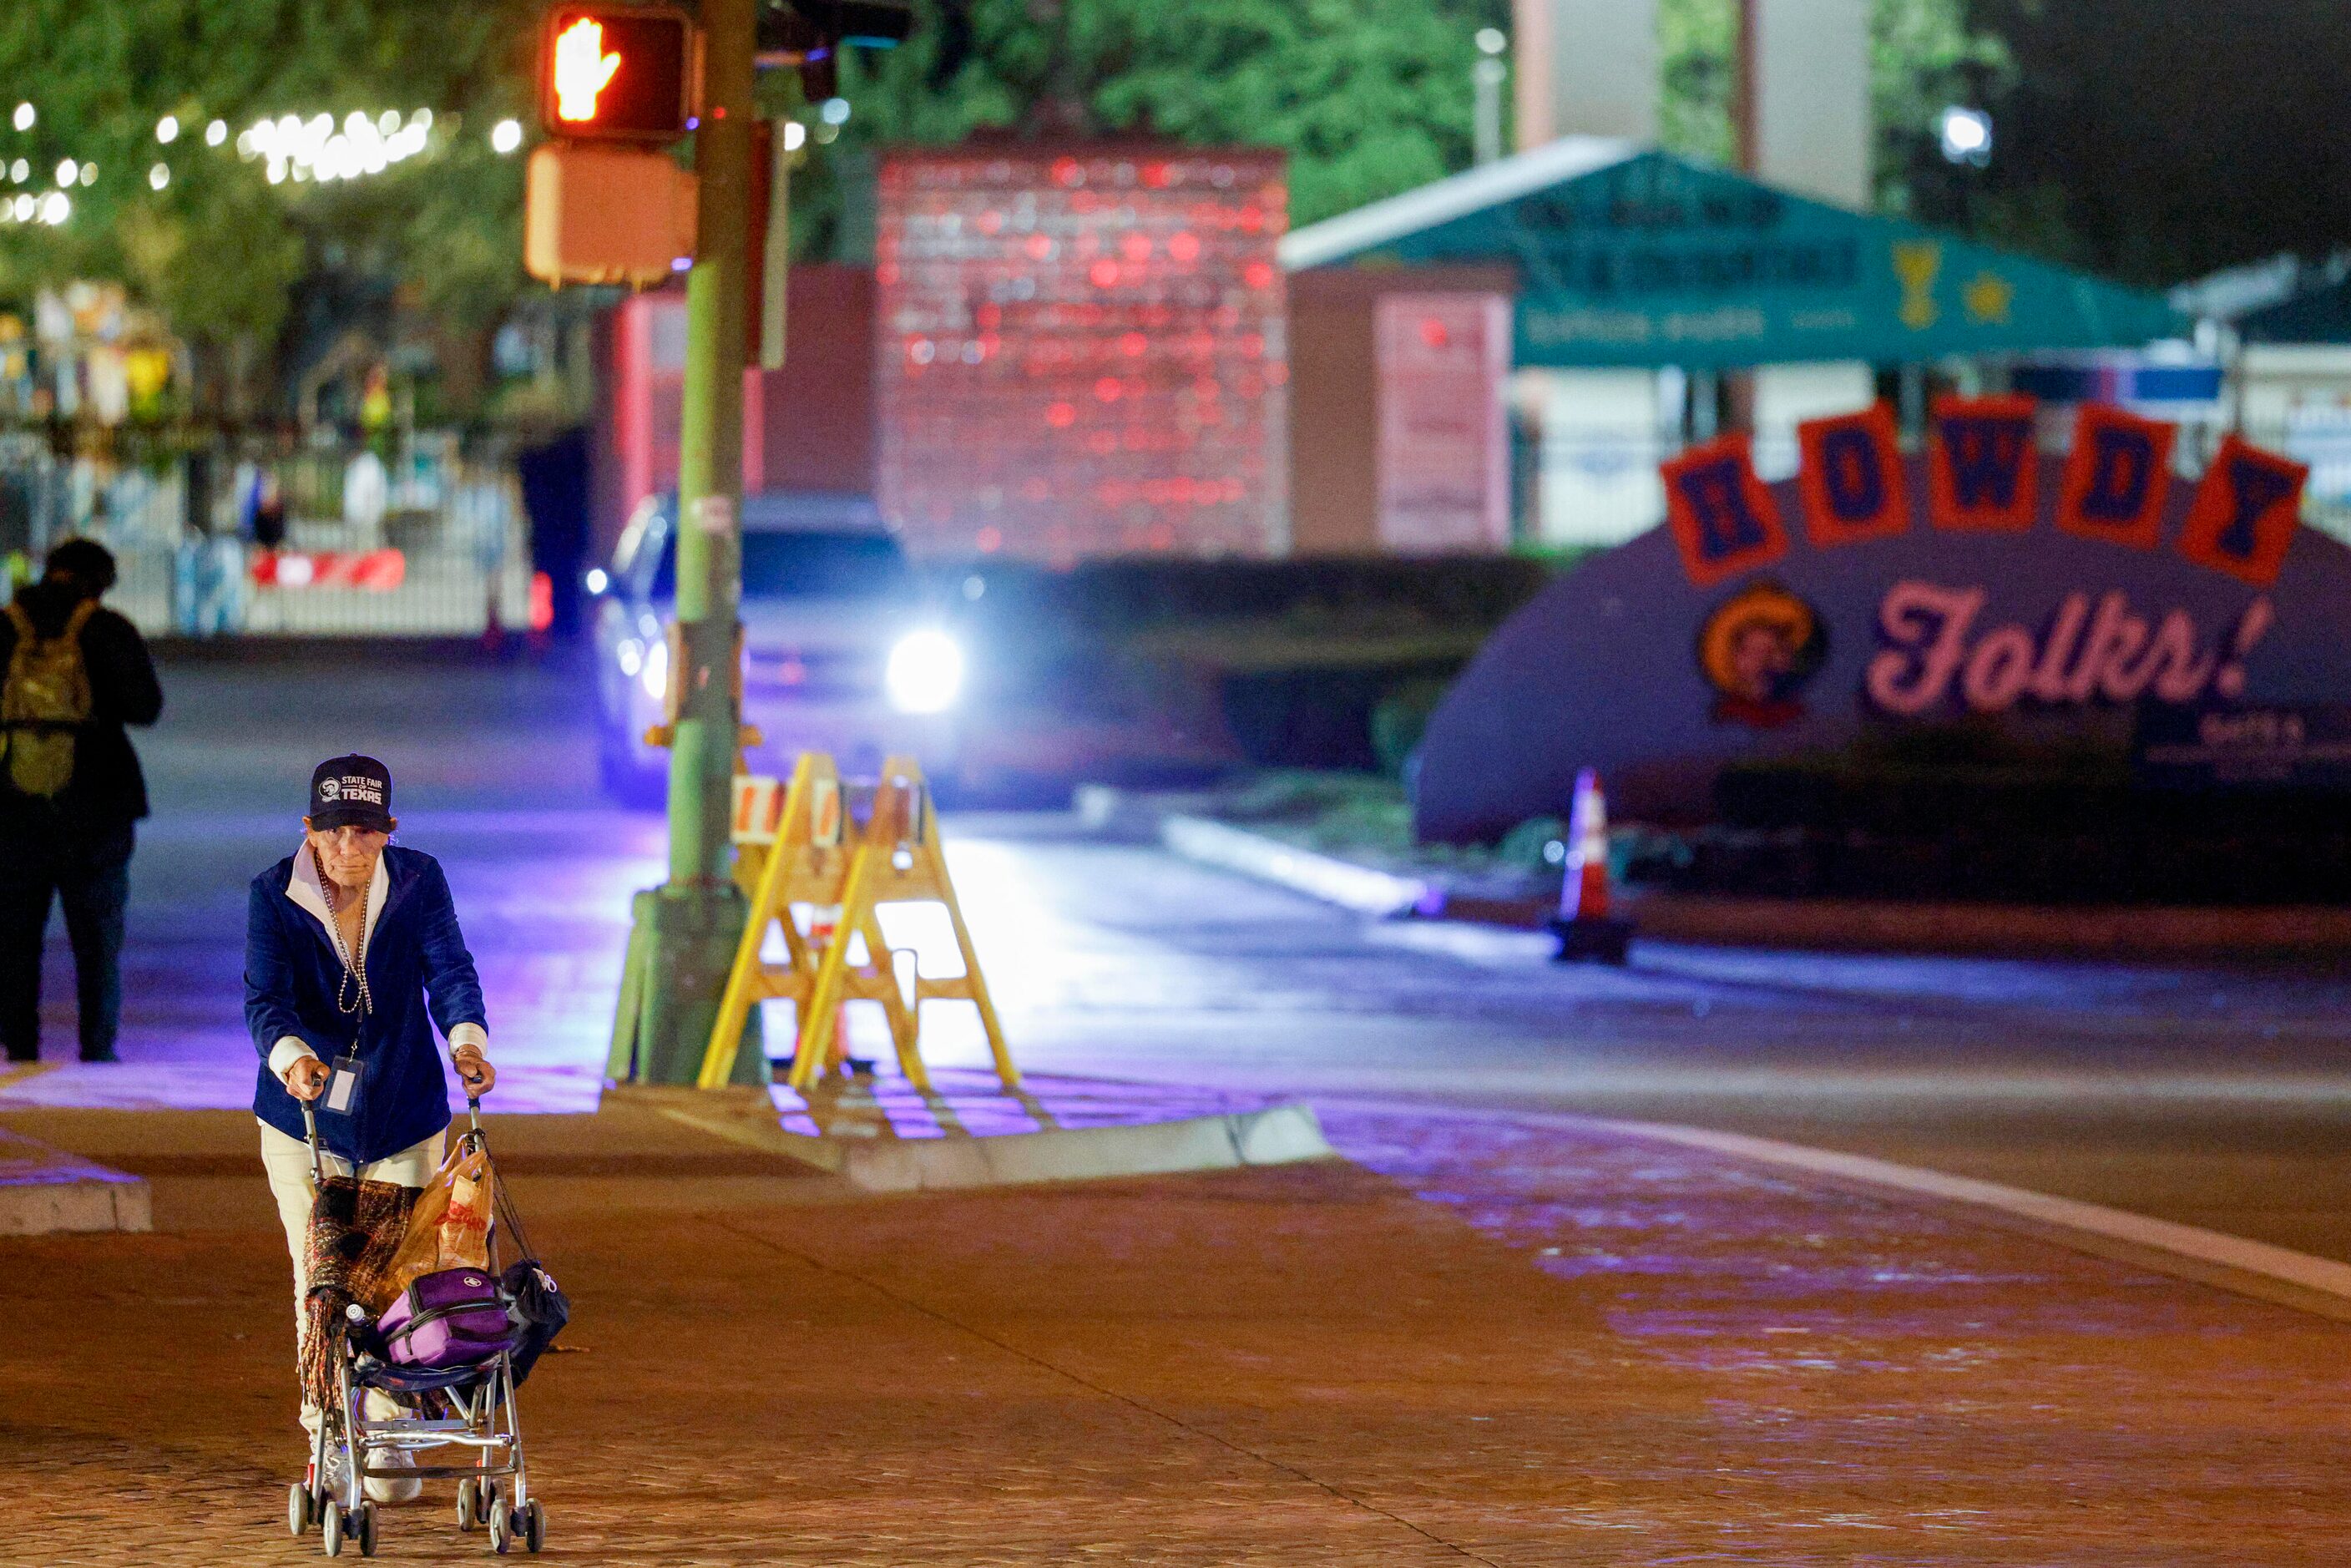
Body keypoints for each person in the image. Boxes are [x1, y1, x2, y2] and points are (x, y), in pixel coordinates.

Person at [245, 754, 498, 1500]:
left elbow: (450, 969)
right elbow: (265, 1001)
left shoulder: (419, 882)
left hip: (404, 1112)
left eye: (364, 833)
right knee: (321, 1279)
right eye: (333, 834)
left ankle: (386, 1422)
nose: (348, 850)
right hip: (302, 1123)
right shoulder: (273, 894)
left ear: (389, 832)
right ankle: (326, 1428)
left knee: (398, 1276)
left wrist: (469, 1042)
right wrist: (293, 1060)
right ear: (309, 832)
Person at [0, 537, 163, 1064]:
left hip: (11, 807)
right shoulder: (108, 629)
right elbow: (145, 707)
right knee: (97, 937)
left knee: (15, 935)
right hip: (96, 807)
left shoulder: (4, 629)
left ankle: (20, 1045)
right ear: (99, 581)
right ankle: (96, 1047)